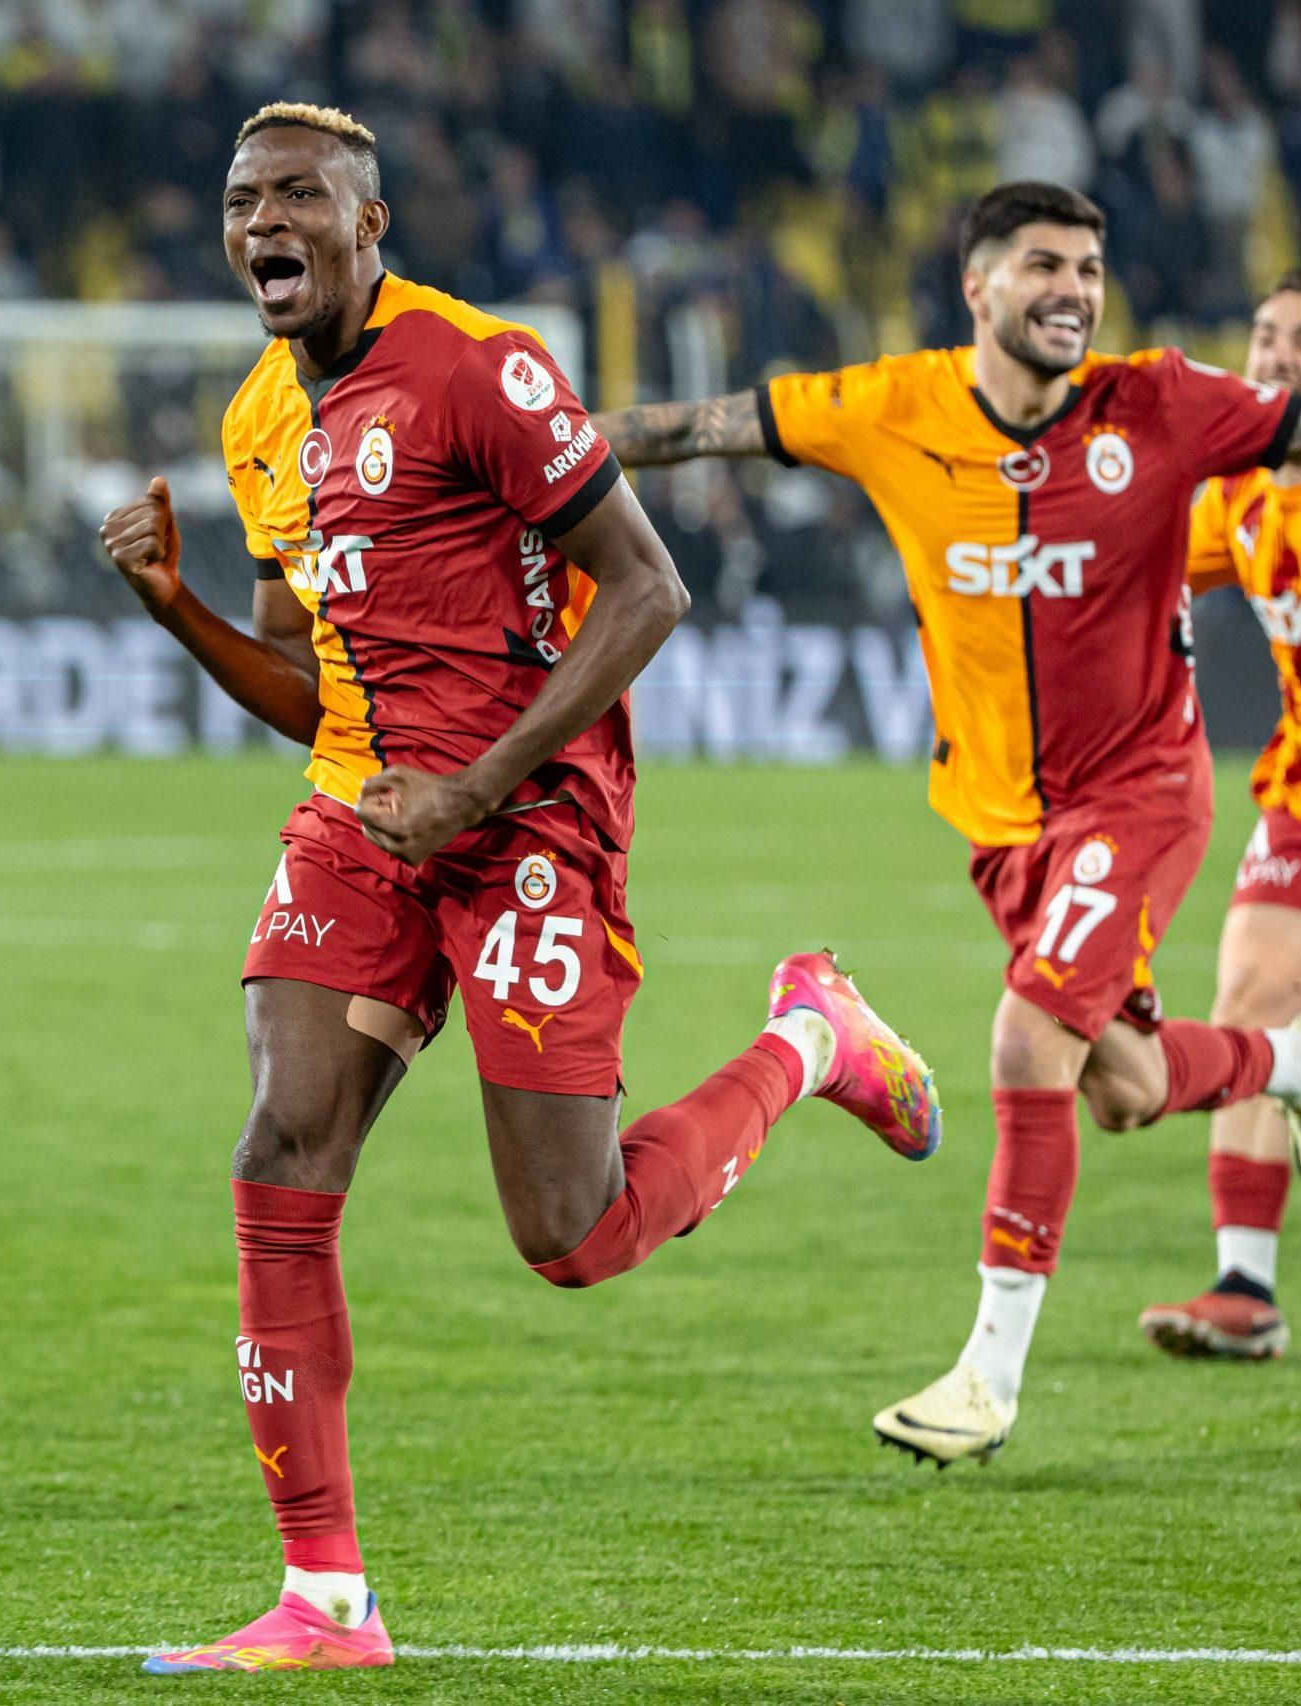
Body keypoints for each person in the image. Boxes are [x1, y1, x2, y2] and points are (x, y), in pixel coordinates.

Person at [101, 102, 943, 1675]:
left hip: (531, 814)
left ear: (371, 225)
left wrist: (480, 788)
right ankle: (327, 1599)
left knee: (572, 1229)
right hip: (363, 810)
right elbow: (304, 683)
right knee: (282, 1142)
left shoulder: (479, 367)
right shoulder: (257, 426)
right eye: (241, 200)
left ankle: (810, 1039)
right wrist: (177, 611)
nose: (264, 223)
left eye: (299, 197)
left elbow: (650, 587)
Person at [592, 181, 1301, 1468]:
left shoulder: (1157, 402)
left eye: (1089, 266)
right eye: (1042, 263)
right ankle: (1299, 1066)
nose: (1071, 288)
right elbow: (700, 426)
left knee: (1025, 1034)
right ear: (977, 288)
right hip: (1000, 823)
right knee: (1123, 1084)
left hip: (1144, 791)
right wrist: (517, 446)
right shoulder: (895, 406)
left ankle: (985, 1378)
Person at [1140, 269, 1301, 1360]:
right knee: (1250, 1005)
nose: (1277, 355)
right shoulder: (1241, 494)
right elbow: (1139, 567)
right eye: (1265, 335)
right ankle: (1243, 1287)